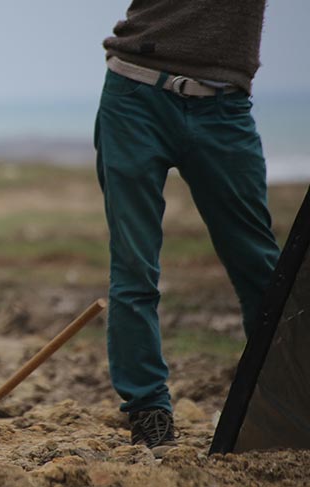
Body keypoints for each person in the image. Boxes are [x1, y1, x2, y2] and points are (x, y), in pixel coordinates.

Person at [95, 1, 280, 457]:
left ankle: (288, 400)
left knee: (261, 268)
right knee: (135, 268)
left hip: (225, 107)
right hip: (134, 95)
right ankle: (148, 412)